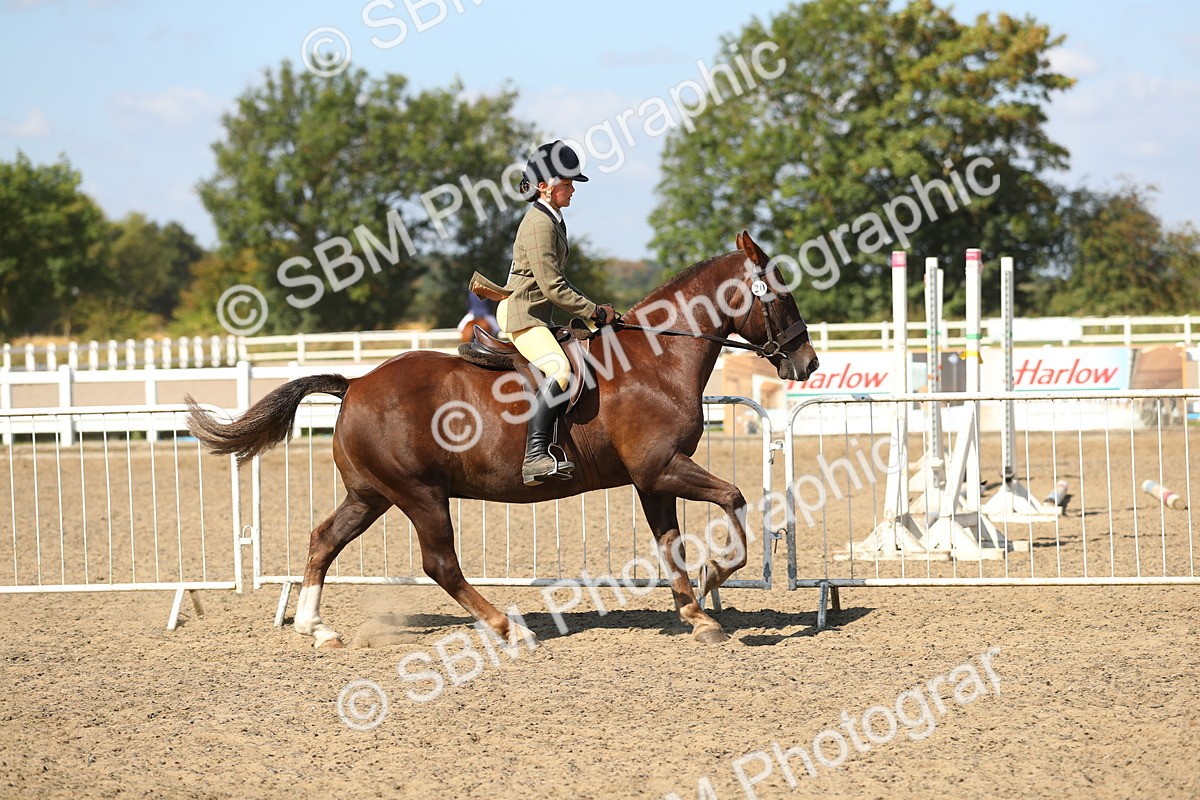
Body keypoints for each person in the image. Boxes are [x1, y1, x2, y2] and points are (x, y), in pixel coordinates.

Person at [470, 141, 616, 485]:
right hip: (522, 316)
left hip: (537, 314)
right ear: (544, 187)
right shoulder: (539, 223)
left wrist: (597, 314)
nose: (572, 190)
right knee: (559, 370)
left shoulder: (553, 218)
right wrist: (593, 310)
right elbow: (553, 287)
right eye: (567, 184)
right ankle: (535, 456)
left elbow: (557, 281)